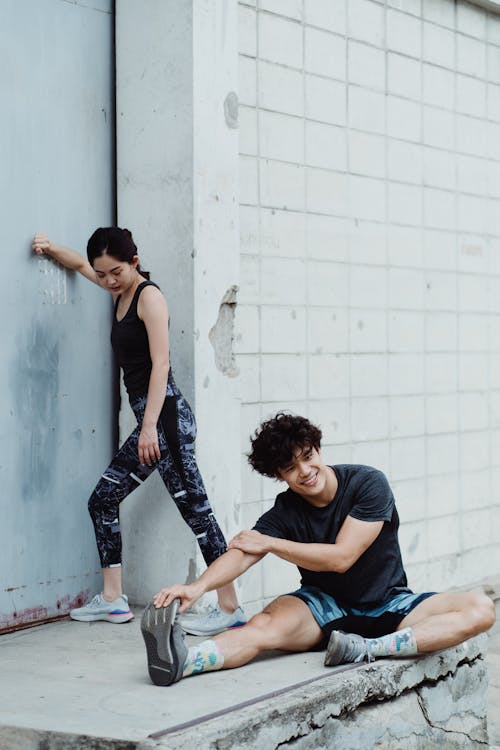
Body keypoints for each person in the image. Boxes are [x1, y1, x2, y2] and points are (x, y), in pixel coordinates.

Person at [140, 412, 495, 686]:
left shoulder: (367, 484)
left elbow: (342, 558)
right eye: (291, 469)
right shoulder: (286, 510)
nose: (306, 471)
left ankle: (367, 649)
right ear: (279, 475)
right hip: (323, 607)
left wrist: (272, 543)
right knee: (263, 627)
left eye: (308, 457)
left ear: (318, 448)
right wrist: (196, 588)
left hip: (389, 603)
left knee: (480, 609)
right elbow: (245, 551)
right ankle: (182, 661)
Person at [32, 228, 245, 635]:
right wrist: (49, 247)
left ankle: (230, 605)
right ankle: (113, 600)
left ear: (134, 262)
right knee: (103, 500)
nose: (108, 280)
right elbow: (79, 265)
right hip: (152, 420)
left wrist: (147, 429)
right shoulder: (118, 290)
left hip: (164, 420)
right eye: (103, 274)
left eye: (115, 271)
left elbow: (161, 365)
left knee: (197, 512)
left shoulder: (149, 296)